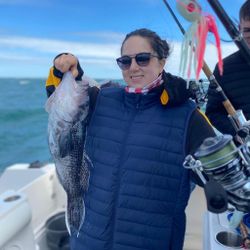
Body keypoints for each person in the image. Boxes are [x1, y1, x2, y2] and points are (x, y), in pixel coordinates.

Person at [46, 28, 215, 250]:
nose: (133, 67)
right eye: (125, 61)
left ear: (162, 62)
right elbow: (63, 103)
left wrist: (187, 103)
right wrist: (64, 67)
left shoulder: (187, 115)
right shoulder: (102, 100)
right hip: (88, 240)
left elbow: (216, 170)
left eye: (143, 59)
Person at [205, 0, 250, 136]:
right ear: (239, 28)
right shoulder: (223, 68)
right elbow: (214, 112)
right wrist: (239, 132)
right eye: (248, 30)